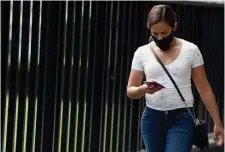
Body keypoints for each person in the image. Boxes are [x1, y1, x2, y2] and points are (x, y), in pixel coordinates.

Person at [127, 4, 224, 152]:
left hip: (181, 117)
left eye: (165, 32)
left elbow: (204, 88)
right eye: (155, 33)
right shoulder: (142, 52)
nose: (160, 37)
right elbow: (131, 91)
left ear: (174, 26)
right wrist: (143, 89)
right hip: (152, 118)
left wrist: (217, 122)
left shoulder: (190, 50)